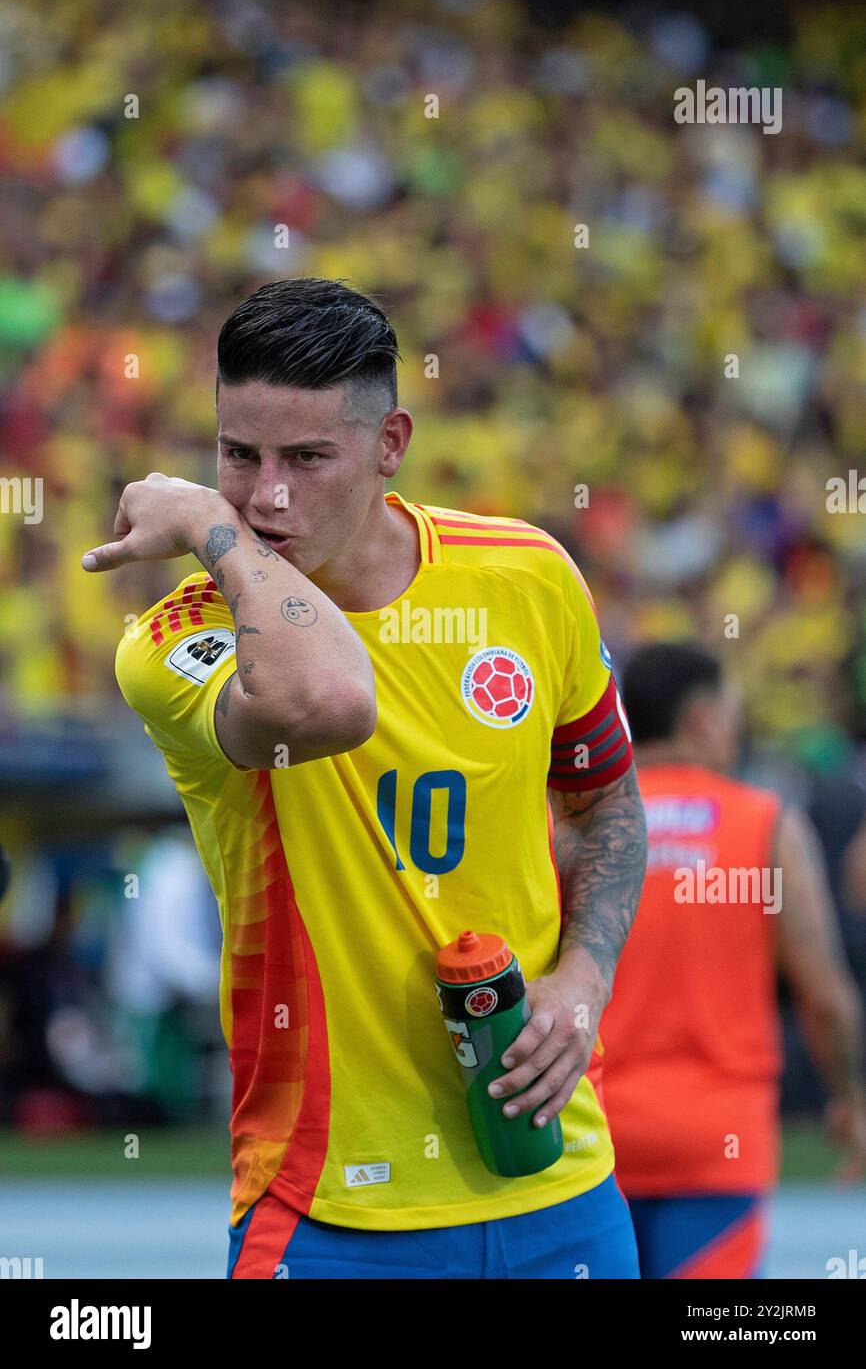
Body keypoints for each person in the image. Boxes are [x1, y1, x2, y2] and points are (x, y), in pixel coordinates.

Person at [82, 277, 647, 1280]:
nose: (266, 497)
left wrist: (582, 979)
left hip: (556, 1184)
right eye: (236, 457)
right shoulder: (174, 634)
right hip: (326, 1206)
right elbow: (330, 698)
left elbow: (605, 797)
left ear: (390, 444)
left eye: (306, 457)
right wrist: (214, 535)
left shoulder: (525, 576)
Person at [599, 642, 866, 1279]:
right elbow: (823, 997)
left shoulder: (584, 826)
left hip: (596, 1137)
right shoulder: (764, 824)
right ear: (703, 721)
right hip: (717, 1141)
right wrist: (850, 1100)